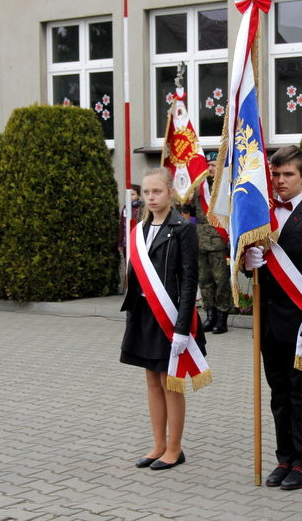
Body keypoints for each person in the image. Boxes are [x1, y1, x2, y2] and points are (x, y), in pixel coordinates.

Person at [243, 145, 302, 491]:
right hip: (269, 324)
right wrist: (246, 262)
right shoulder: (261, 216)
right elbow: (251, 263)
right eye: (275, 174)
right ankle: (284, 457)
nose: (280, 181)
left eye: (287, 175)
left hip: (301, 325)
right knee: (278, 393)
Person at [120, 167, 206, 470]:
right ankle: (157, 444)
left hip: (170, 319)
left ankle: (175, 448)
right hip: (145, 316)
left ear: (170, 192)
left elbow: (188, 279)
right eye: (146, 192)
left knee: (172, 383)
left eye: (156, 191)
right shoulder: (139, 230)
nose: (151, 197)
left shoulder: (183, 228)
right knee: (152, 381)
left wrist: (183, 328)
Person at [193, 152, 231, 334]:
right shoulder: (198, 189)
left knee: (221, 280)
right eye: (208, 165)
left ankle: (222, 318)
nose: (210, 168)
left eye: (214, 165)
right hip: (200, 240)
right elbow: (188, 212)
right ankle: (210, 315)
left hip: (218, 241)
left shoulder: (226, 189)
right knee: (204, 280)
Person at [118, 184, 142, 293]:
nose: (130, 197)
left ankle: (136, 287)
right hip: (125, 242)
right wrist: (120, 242)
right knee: (127, 264)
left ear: (138, 196)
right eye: (128, 195)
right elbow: (121, 226)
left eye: (132, 194)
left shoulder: (140, 208)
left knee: (136, 265)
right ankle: (128, 287)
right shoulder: (125, 208)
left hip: (136, 241)